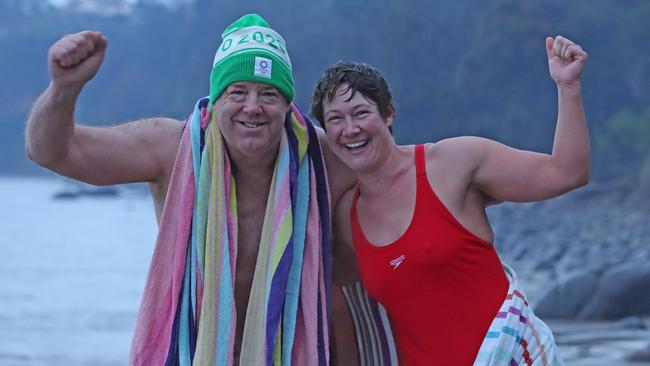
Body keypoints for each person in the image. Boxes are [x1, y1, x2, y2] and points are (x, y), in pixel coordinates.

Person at [25, 13, 362, 365]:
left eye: (268, 93)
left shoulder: (323, 157)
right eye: (237, 92)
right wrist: (64, 90)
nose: (252, 107)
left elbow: (398, 180)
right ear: (216, 100)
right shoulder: (172, 148)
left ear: (287, 104)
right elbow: (52, 151)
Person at [310, 35, 589, 365]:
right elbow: (321, 295)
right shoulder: (346, 216)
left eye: (360, 113)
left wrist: (567, 87)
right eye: (336, 120)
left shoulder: (452, 164)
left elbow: (566, 172)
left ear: (388, 114)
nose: (350, 129)